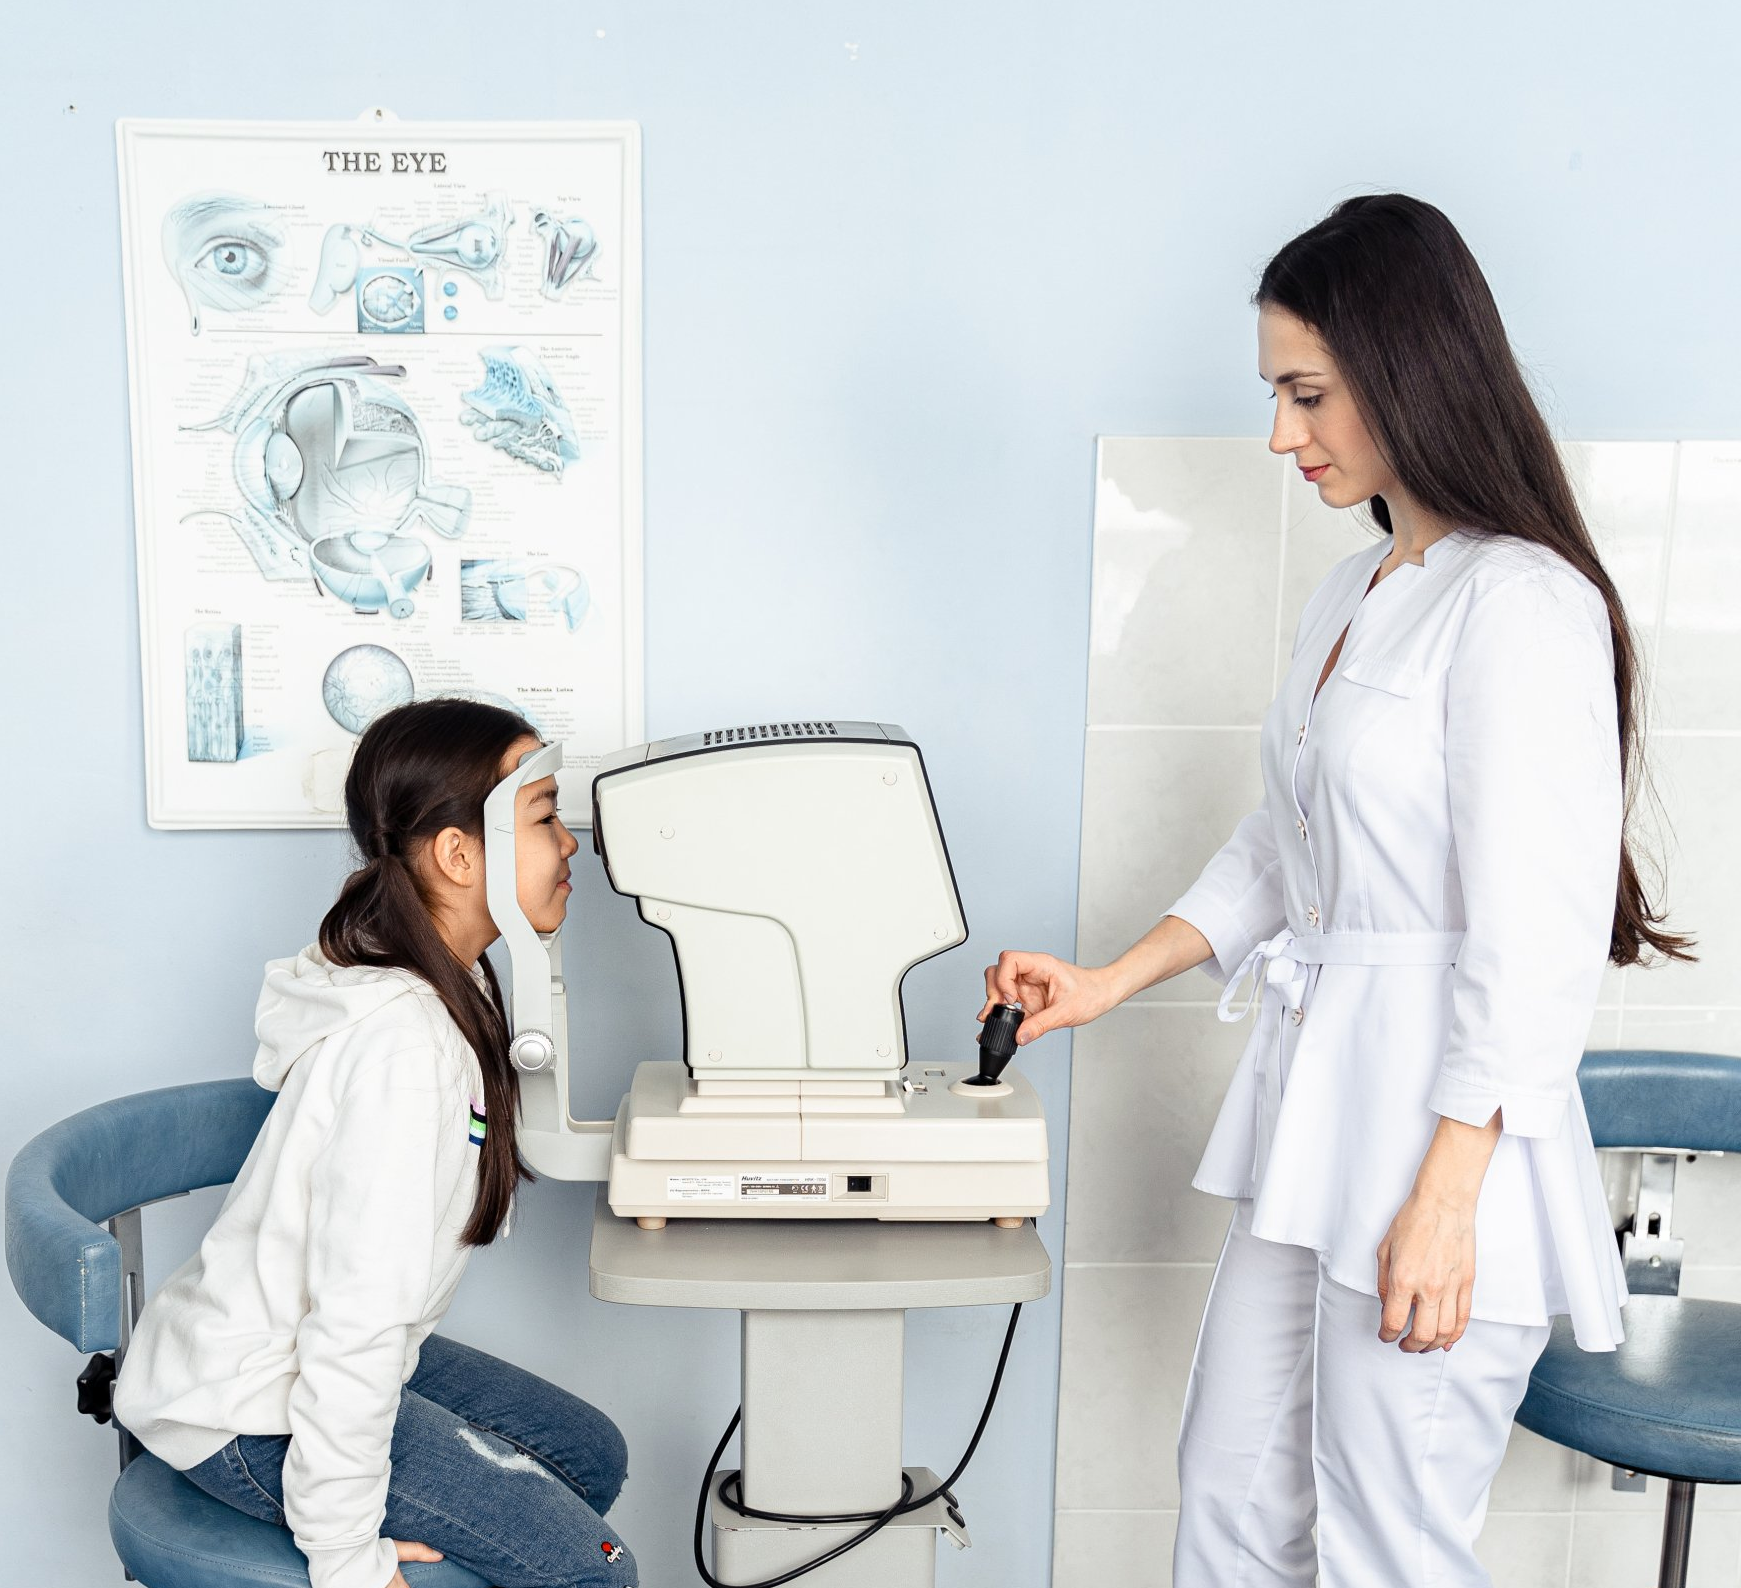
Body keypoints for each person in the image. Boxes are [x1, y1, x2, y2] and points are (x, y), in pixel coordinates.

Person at [983, 194, 1693, 1587]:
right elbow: (1284, 845)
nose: (1279, 436)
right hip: (1316, 1119)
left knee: (1388, 1546)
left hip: (1444, 1133)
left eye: (1305, 395)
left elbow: (1536, 933)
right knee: (1229, 1498)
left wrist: (1445, 1197)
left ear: (1409, 369)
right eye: (1274, 396)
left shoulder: (1520, 603)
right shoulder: (1362, 587)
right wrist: (1112, 979)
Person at [115, 699, 639, 1588]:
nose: (571, 843)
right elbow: (355, 1325)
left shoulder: (444, 972)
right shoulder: (404, 1046)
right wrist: (347, 1555)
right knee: (597, 1572)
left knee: (588, 1455)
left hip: (295, 1345)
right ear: (458, 854)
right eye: (546, 815)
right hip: (245, 1406)